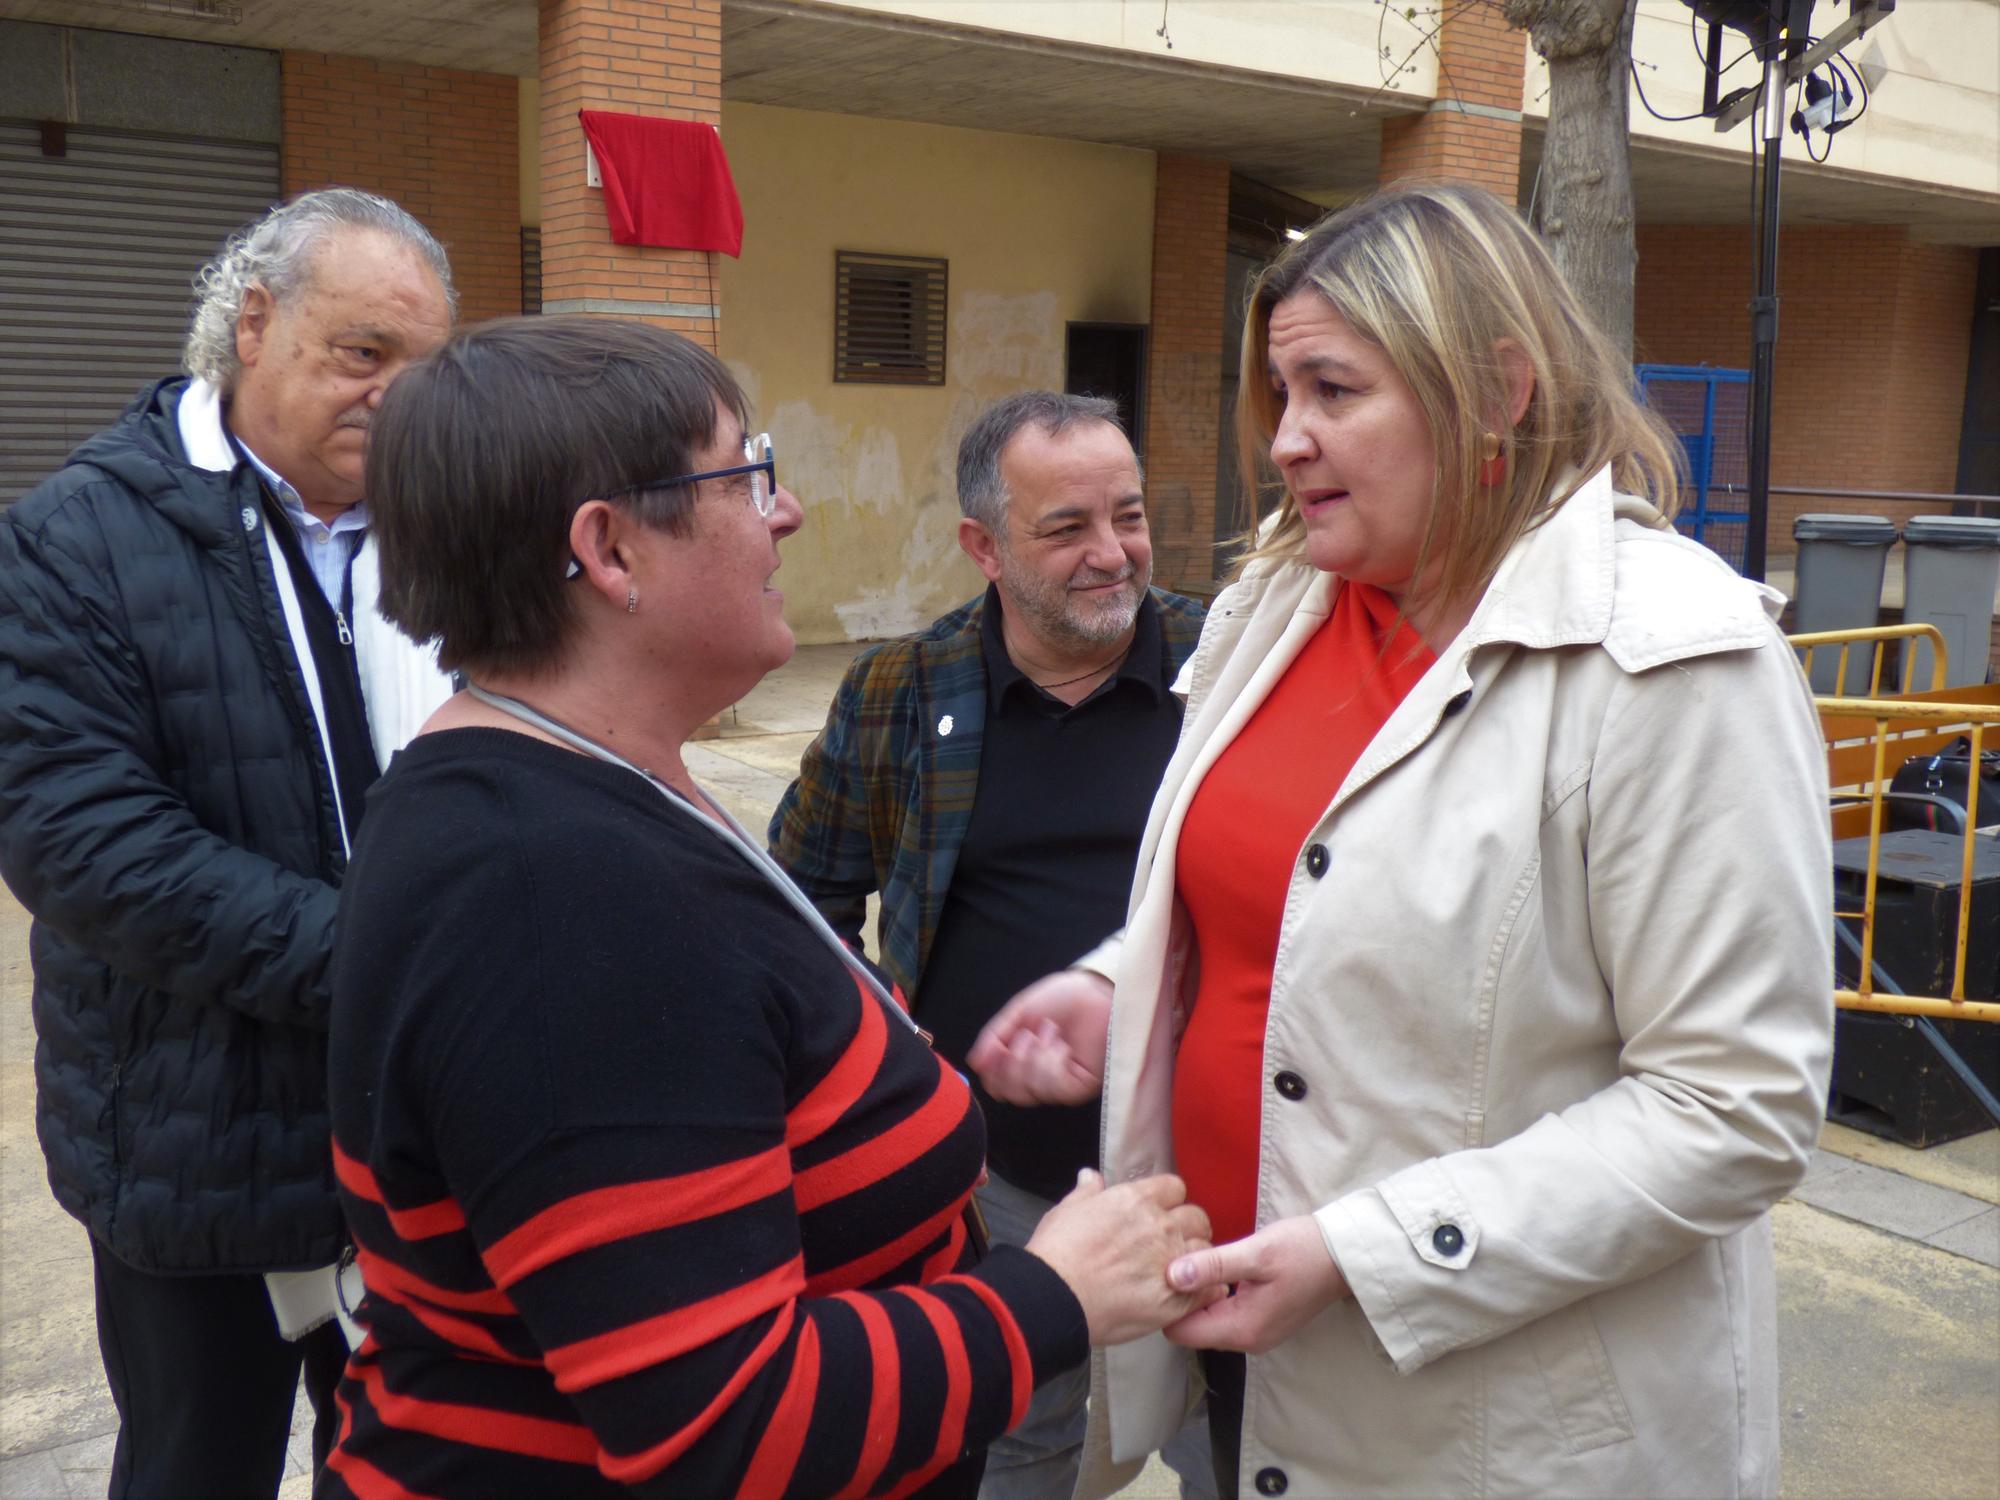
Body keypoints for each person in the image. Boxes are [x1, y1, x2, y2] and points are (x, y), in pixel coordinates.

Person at [972, 183, 1834, 1500]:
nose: (1288, 442)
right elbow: (1283, 888)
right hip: (1239, 1349)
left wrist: (1362, 1255)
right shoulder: (1285, 601)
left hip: (1494, 1420)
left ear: (1495, 389)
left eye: (1333, 390)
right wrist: (1121, 980)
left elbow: (1737, 1107)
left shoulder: (1676, 660)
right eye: (1280, 397)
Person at [324, 315, 1215, 1499]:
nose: (784, 511)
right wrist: (1051, 1293)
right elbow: (722, 1425)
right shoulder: (554, 894)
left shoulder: (586, 785)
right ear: (608, 550)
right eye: (747, 473)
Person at [0, 188, 456, 1496]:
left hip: (414, 1136)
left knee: (410, 1463)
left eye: (424, 371)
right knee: (198, 1466)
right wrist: (387, 962)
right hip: (196, 1149)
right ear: (253, 326)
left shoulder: (453, 529)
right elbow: (85, 845)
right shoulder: (74, 539)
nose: (396, 398)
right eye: (363, 355)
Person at [770, 390, 1212, 1499]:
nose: (1112, 555)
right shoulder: (902, 691)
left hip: (1223, 1161)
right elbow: (797, 898)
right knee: (1017, 1431)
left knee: (1243, 1435)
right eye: (1065, 529)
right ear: (982, 546)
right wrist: (887, 1042)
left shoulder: (1231, 669)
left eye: (1128, 516)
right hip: (1002, 1179)